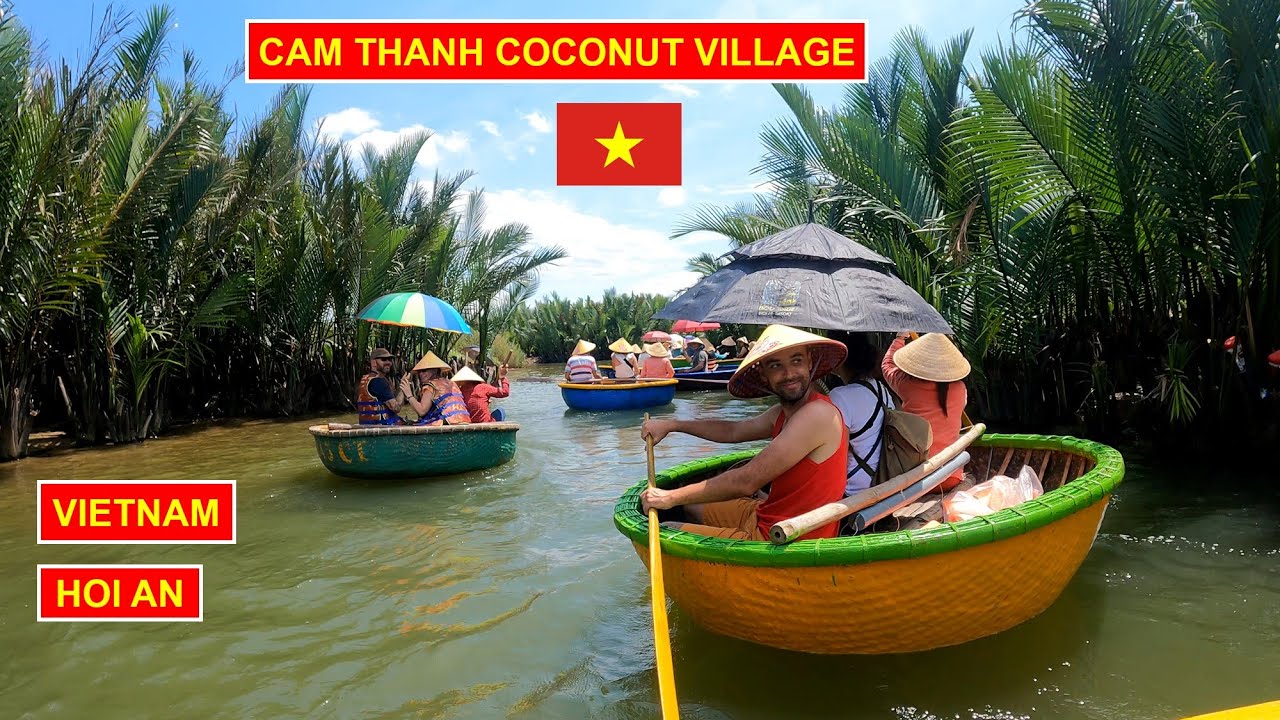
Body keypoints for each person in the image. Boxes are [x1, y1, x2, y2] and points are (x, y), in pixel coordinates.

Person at [640, 324, 849, 541]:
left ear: (810, 362)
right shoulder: (783, 412)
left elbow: (746, 481)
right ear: (763, 374)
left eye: (797, 361)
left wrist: (669, 497)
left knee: (667, 528)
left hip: (783, 538)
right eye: (776, 366)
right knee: (692, 506)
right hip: (765, 514)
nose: (789, 374)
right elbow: (733, 430)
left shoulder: (817, 414)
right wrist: (673, 424)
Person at [882, 333, 970, 491]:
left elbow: (887, 365)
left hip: (918, 480)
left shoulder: (907, 384)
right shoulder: (960, 388)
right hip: (951, 477)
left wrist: (900, 339)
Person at [827, 331, 896, 496]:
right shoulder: (882, 390)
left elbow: (831, 453)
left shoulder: (840, 396)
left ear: (840, 358)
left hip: (854, 491)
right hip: (886, 479)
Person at [403, 352, 471, 426]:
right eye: (419, 372)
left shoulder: (430, 386)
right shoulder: (452, 383)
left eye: (424, 371)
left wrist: (408, 394)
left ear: (435, 371)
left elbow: (421, 411)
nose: (421, 374)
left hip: (448, 423)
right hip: (465, 420)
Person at [356, 348, 407, 425]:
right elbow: (396, 408)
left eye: (389, 360)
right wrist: (404, 387)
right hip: (380, 426)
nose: (388, 362)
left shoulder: (366, 379)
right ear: (373, 362)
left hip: (368, 425)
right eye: (383, 359)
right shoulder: (378, 382)